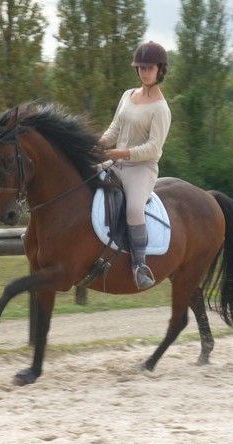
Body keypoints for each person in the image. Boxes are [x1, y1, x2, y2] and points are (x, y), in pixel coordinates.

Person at [97, 41, 171, 290]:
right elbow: (115, 128)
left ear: (160, 70)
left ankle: (139, 266)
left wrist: (122, 152)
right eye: (141, 68)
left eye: (149, 68)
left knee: (134, 210)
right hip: (116, 162)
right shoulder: (127, 95)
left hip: (142, 169)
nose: (144, 72)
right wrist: (98, 143)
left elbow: (153, 149)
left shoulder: (161, 109)